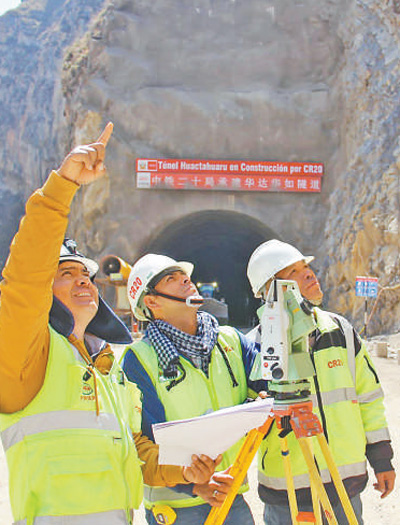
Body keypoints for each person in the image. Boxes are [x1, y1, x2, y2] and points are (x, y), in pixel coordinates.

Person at [0, 123, 218, 524]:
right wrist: (62, 188)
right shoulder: (26, 359)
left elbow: (135, 451)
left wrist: (184, 472)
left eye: (86, 274)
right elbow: (24, 278)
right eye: (66, 273)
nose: (84, 280)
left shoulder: (107, 368)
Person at [246, 239, 396, 525]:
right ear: (270, 291)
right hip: (287, 494)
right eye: (292, 272)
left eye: (305, 266)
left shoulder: (341, 331)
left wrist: (381, 459)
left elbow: (369, 398)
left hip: (344, 486)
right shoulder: (254, 347)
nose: (308, 274)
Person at [122, 253, 266, 525]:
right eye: (171, 278)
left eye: (184, 275)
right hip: (176, 509)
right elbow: (142, 444)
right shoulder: (139, 359)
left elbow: (266, 385)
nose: (185, 280)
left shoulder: (231, 340)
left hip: (230, 495)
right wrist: (192, 484)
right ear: (152, 301)